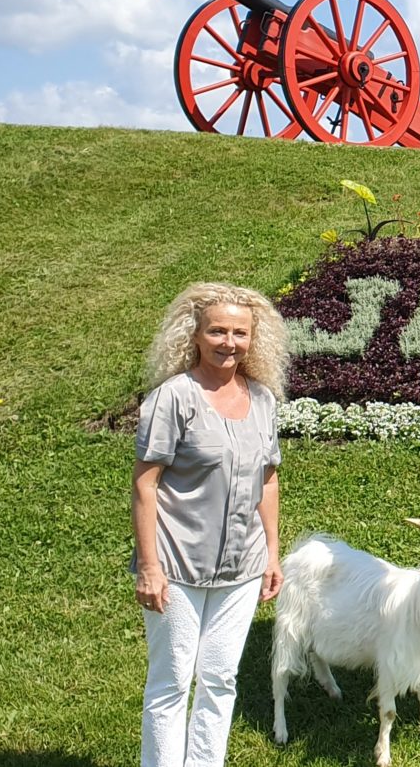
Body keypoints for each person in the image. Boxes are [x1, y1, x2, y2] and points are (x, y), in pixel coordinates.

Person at [132, 282, 290, 767]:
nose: (229, 342)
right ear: (194, 336)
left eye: (239, 333)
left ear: (253, 339)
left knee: (220, 679)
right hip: (177, 565)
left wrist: (271, 553)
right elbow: (145, 485)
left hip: (241, 569)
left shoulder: (261, 399)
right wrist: (149, 566)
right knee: (173, 681)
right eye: (217, 331)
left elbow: (267, 480)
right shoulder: (173, 398)